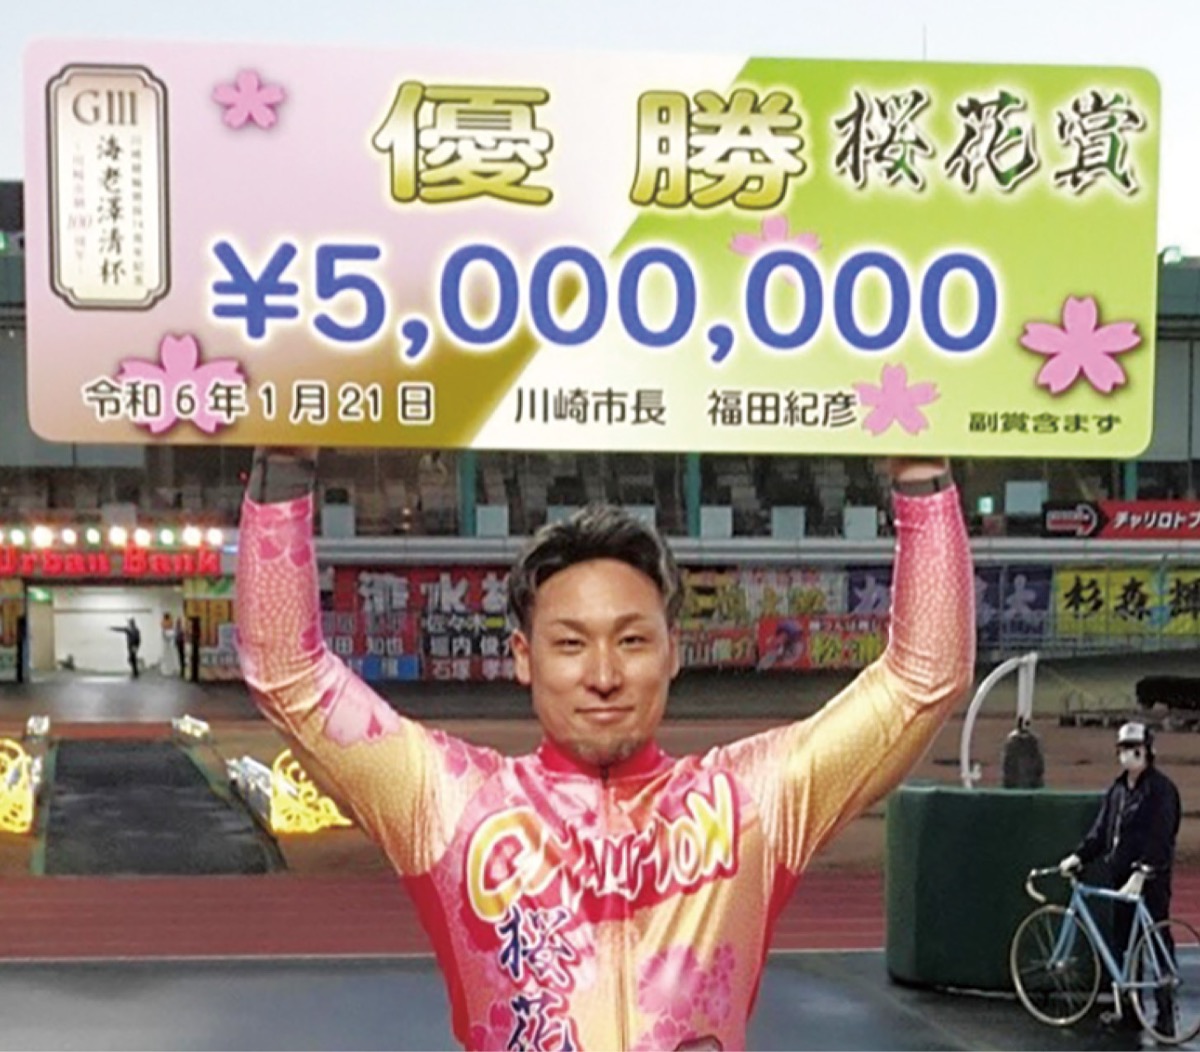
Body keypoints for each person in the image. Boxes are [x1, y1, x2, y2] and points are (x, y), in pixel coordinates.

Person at [236, 448, 975, 1051]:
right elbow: (287, 672)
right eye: (569, 644)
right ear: (523, 657)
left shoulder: (750, 805)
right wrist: (284, 473)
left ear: (672, 651)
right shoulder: (449, 804)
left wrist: (922, 481)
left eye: (631, 640)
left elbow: (923, 678)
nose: (603, 674)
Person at [1059, 721, 1181, 1034]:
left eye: (1134, 748)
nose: (1129, 754)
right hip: (1120, 878)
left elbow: (1162, 836)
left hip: (1150, 880)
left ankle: (1166, 1013)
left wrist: (1144, 870)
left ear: (1148, 751)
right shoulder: (1117, 791)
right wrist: (1080, 855)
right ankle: (1129, 1010)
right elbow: (1102, 832)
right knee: (1124, 944)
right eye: (1124, 749)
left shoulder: (1161, 790)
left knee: (1156, 940)